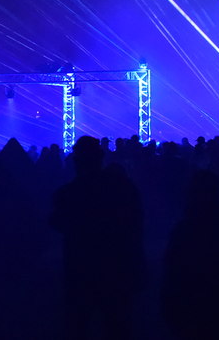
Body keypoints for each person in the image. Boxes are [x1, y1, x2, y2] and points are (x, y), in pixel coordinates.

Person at [49, 136, 146, 340]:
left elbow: (55, 222)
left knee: (78, 326)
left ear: (77, 159)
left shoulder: (67, 194)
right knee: (118, 326)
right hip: (116, 271)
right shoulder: (123, 188)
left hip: (81, 273)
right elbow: (136, 226)